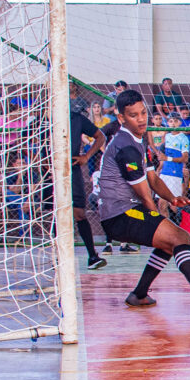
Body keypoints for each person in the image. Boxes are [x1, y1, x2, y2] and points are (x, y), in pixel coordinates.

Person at [94, 90, 190, 311]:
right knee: (179, 237)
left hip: (124, 211)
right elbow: (145, 195)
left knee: (170, 240)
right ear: (122, 118)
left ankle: (139, 294)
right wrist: (157, 217)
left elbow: (152, 177)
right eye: (134, 115)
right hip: (119, 215)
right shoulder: (126, 146)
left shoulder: (138, 141)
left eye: (143, 112)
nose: (141, 118)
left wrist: (173, 198)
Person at [71, 101, 107, 270]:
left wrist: (86, 156)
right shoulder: (41, 120)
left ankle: (92, 255)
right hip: (48, 171)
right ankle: (55, 257)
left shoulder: (76, 118)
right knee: (54, 214)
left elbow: (100, 136)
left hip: (72, 169)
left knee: (79, 213)